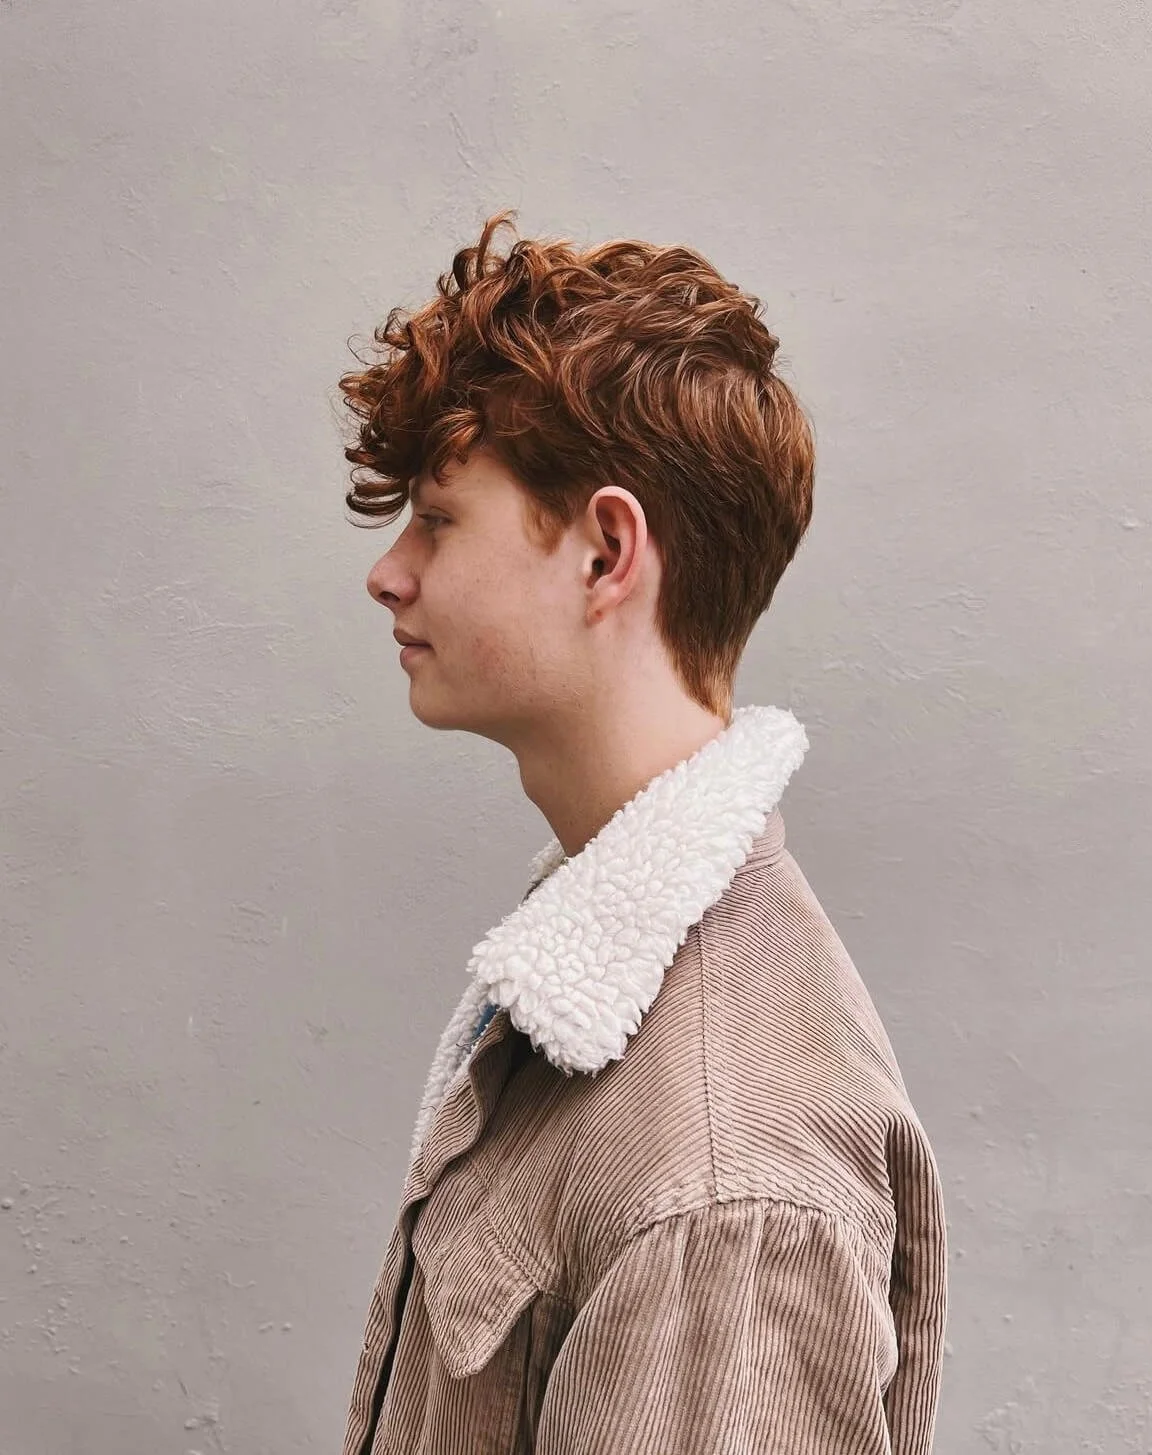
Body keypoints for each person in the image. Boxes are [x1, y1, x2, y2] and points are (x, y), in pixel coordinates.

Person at [335, 210, 948, 1454]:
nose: (386, 573)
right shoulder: (592, 1005)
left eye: (440, 519)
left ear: (608, 550)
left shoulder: (724, 1181)